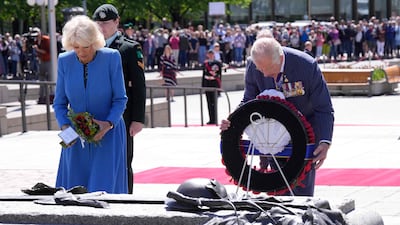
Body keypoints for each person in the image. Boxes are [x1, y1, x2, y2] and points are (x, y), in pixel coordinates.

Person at [220, 37, 334, 196]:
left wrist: (325, 141)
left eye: (269, 69)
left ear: (280, 58)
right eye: (261, 70)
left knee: (301, 186)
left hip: (305, 132)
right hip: (273, 134)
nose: (265, 74)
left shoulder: (306, 66)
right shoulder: (255, 65)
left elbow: (323, 107)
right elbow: (249, 100)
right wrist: (233, 121)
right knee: (277, 185)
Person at [53, 15, 128, 194]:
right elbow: (59, 103)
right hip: (75, 136)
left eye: (85, 47)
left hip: (108, 133)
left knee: (104, 190)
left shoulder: (112, 58)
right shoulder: (64, 60)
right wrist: (65, 128)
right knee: (73, 191)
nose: (81, 52)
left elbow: (120, 99)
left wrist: (108, 124)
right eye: (76, 47)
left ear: (94, 42)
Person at [93, 3, 146, 194]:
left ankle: (125, 200)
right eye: (98, 22)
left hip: (123, 115)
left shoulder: (129, 48)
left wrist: (138, 119)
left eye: (106, 22)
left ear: (117, 22)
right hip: (96, 113)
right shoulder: (90, 48)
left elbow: (139, 86)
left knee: (123, 161)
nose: (101, 27)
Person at [202, 49, 223, 125]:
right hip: (207, 83)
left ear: (213, 55)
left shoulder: (217, 63)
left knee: (214, 103)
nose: (210, 55)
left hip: (214, 84)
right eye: (209, 54)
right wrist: (203, 86)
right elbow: (203, 75)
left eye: (212, 54)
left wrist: (219, 86)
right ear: (207, 55)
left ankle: (214, 119)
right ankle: (211, 119)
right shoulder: (205, 63)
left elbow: (219, 75)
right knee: (209, 103)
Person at [32, 27, 52, 104]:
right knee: (41, 79)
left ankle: (51, 96)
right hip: (41, 61)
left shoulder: (46, 40)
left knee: (50, 79)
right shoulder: (36, 41)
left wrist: (37, 50)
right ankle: (41, 96)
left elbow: (48, 52)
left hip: (48, 61)